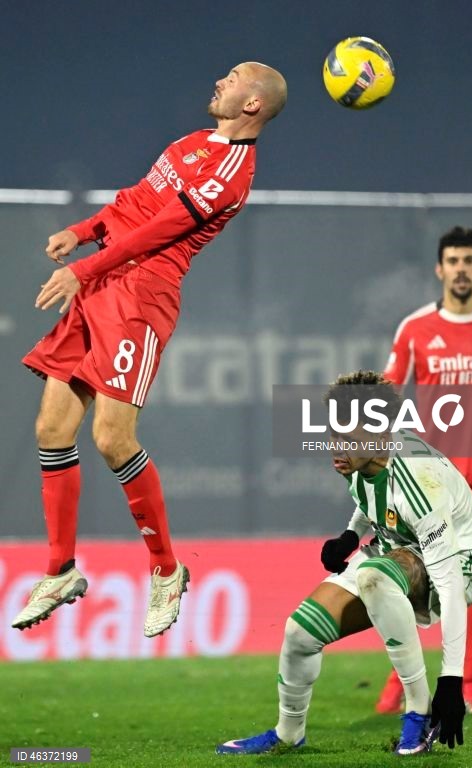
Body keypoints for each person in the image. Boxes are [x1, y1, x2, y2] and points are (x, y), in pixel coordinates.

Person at [12, 62, 287, 638]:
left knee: (112, 438)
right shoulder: (191, 142)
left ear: (253, 104)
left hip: (140, 294)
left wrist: (83, 268)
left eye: (233, 78)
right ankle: (60, 569)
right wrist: (84, 230)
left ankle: (166, 570)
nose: (219, 80)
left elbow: (157, 231)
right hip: (103, 279)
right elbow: (133, 202)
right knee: (51, 428)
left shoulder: (232, 174)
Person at [216, 371, 472, 756]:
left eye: (345, 436)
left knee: (374, 578)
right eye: (332, 433)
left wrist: (452, 681)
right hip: (400, 547)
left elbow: (449, 586)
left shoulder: (419, 478)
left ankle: (419, 711)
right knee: (300, 632)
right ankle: (288, 733)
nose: (335, 445)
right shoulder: (363, 460)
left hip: (465, 562)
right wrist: (351, 534)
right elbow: (373, 496)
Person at [376, 226, 472, 715]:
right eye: (452, 260)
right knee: (418, 574)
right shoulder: (415, 329)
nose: (461, 269)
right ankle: (399, 682)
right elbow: (386, 396)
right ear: (440, 269)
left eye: (469, 261)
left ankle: (470, 685)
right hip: (432, 476)